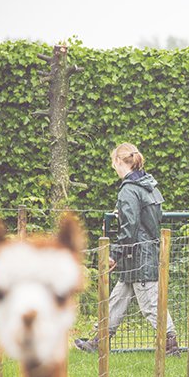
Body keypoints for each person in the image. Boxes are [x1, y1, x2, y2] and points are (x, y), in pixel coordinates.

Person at [75, 142, 180, 355]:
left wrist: (114, 255)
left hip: (139, 257)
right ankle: (98, 342)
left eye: (113, 162)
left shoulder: (129, 190)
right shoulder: (148, 185)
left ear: (118, 161)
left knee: (151, 305)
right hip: (142, 253)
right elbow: (146, 220)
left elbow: (129, 228)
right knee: (117, 300)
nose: (113, 167)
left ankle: (171, 346)